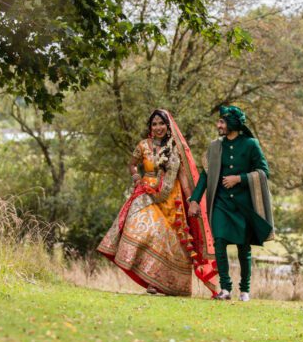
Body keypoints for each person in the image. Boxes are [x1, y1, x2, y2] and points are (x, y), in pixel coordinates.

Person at [97, 109, 217, 296]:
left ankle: (157, 284)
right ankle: (147, 277)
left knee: (166, 241)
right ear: (150, 127)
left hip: (172, 201)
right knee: (144, 229)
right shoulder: (143, 145)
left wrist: (191, 201)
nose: (158, 127)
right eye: (154, 124)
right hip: (146, 194)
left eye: (161, 123)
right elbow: (132, 163)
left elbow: (184, 179)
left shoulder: (176, 148)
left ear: (168, 126)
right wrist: (137, 177)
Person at [188, 105, 274, 301]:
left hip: (244, 205)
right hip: (221, 203)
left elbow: (264, 172)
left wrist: (240, 178)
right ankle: (225, 289)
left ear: (232, 124)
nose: (218, 125)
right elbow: (205, 176)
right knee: (219, 241)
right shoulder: (215, 146)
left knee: (244, 247)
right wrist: (194, 200)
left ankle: (245, 290)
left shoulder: (251, 144)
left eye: (222, 122)